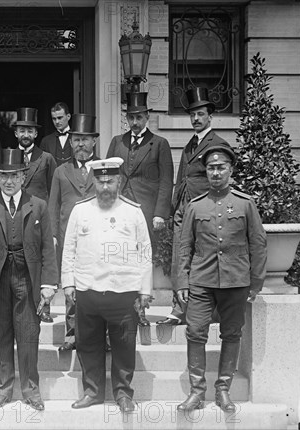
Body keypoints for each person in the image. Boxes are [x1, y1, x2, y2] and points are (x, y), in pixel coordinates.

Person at [176, 145, 266, 412]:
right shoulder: (195, 205)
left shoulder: (245, 203)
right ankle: (196, 391)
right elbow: (184, 246)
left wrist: (256, 281)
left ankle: (223, 390)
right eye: (211, 168)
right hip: (201, 280)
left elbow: (258, 243)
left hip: (236, 281)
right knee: (195, 332)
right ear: (206, 171)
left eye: (221, 167)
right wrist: (181, 280)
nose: (215, 173)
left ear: (231, 170)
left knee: (231, 333)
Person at [0, 148, 58, 412]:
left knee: (29, 333)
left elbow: (47, 249)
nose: (8, 181)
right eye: (3, 176)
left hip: (27, 276)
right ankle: (3, 388)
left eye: (14, 176)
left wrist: (49, 284)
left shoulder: (38, 205)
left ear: (23, 176)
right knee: (2, 333)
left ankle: (31, 388)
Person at [62, 157, 152, 414]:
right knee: (88, 344)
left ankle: (123, 394)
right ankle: (92, 392)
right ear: (93, 182)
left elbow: (145, 253)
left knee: (124, 347)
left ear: (119, 182)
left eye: (110, 181)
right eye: (100, 182)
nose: (105, 187)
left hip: (123, 293)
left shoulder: (133, 212)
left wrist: (145, 290)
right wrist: (68, 282)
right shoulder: (81, 210)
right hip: (88, 290)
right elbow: (69, 249)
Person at [158, 87, 231, 326]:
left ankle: (210, 311)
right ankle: (179, 310)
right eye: (192, 115)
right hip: (184, 209)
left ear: (210, 116)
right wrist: (173, 208)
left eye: (200, 114)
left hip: (207, 211)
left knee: (206, 259)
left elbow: (221, 179)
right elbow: (182, 178)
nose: (196, 119)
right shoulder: (191, 144)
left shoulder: (217, 144)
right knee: (180, 257)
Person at [106, 92, 174, 326]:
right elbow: (107, 175)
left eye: (139, 117)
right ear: (126, 118)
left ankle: (140, 310)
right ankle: (118, 309)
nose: (135, 123)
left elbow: (166, 181)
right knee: (117, 258)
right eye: (131, 118)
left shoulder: (159, 144)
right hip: (119, 211)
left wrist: (160, 213)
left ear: (147, 117)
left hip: (146, 212)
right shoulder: (117, 142)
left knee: (142, 261)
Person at [46, 113, 99, 344]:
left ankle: (98, 333)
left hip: (98, 237)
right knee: (71, 285)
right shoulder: (61, 171)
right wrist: (54, 236)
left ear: (94, 142)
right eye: (76, 139)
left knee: (98, 285)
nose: (80, 144)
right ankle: (71, 333)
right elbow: (53, 206)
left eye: (85, 139)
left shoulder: (104, 168)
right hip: (71, 237)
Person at [13, 107, 57, 202]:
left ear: (36, 134)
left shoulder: (47, 158)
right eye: (22, 131)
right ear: (16, 133)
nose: (26, 135)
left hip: (39, 213)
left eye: (30, 131)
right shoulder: (9, 158)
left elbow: (55, 191)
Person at [40, 102, 73, 166]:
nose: (57, 122)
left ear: (68, 116)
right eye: (54, 119)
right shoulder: (46, 141)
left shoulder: (77, 138)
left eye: (60, 118)